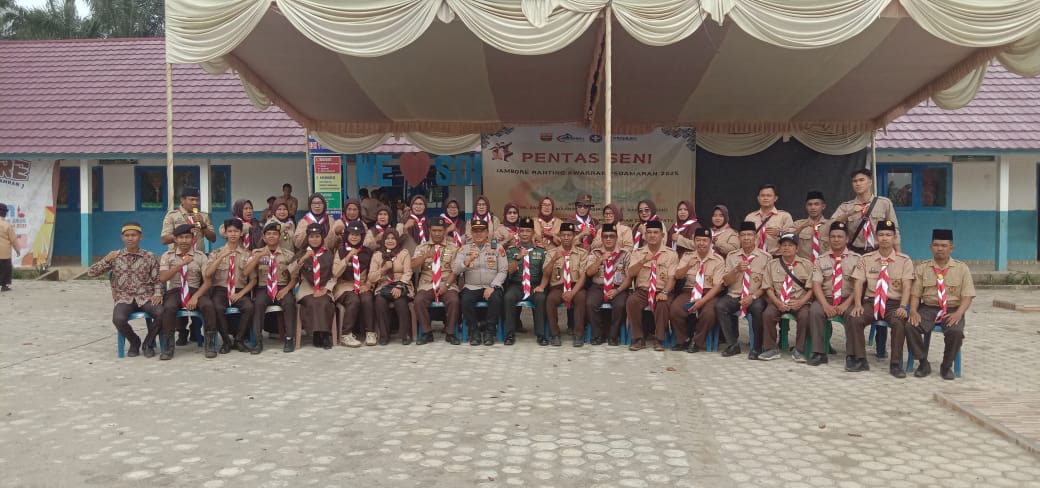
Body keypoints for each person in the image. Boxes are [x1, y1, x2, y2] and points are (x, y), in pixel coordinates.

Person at [846, 220, 914, 375]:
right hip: (872, 302)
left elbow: (907, 287)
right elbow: (858, 282)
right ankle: (860, 359)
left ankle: (895, 364)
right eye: (881, 235)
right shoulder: (866, 258)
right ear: (876, 237)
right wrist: (858, 304)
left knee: (899, 322)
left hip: (893, 304)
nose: (884, 238)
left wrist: (903, 307)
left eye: (888, 235)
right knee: (855, 318)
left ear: (894, 237)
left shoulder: (904, 260)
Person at [86, 222, 164, 357]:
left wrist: (158, 293)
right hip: (124, 298)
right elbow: (91, 273)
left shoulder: (150, 256)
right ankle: (134, 342)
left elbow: (157, 278)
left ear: (141, 237)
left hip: (146, 297)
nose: (130, 238)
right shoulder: (115, 256)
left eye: (134, 235)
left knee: (162, 313)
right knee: (118, 319)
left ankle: (148, 343)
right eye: (127, 235)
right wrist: (106, 260)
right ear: (122, 238)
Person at [908, 229, 975, 380]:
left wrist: (959, 313)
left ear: (951, 248)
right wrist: (913, 310)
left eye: (944, 246)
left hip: (952, 309)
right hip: (928, 308)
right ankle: (923, 362)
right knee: (910, 325)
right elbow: (915, 294)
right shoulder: (922, 268)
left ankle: (946, 366)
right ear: (930, 247)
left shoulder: (962, 268)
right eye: (936, 245)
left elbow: (968, 296)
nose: (939, 248)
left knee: (956, 331)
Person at [158, 224, 216, 359]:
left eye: (187, 237)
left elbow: (208, 282)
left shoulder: (201, 256)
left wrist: (195, 297)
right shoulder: (167, 256)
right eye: (180, 237)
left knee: (208, 305)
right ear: (175, 239)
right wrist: (180, 265)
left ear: (193, 239)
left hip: (195, 290)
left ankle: (210, 344)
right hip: (175, 290)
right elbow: (163, 278)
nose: (184, 240)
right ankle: (168, 347)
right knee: (169, 307)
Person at [714, 221, 772, 359]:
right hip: (735, 295)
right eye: (743, 235)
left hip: (755, 296)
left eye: (749, 235)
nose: (746, 238)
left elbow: (766, 285)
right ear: (739, 237)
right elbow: (726, 281)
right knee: (720, 306)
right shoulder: (732, 256)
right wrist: (736, 270)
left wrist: (752, 297)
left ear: (756, 237)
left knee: (758, 309)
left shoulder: (766, 257)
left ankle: (756, 347)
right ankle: (733, 344)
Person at [807, 221, 860, 366]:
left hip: (848, 299)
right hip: (827, 298)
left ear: (847, 239)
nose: (836, 239)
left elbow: (859, 286)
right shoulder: (820, 260)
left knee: (853, 315)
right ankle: (819, 353)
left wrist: (846, 304)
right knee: (814, 311)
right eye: (833, 236)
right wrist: (825, 305)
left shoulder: (857, 259)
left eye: (840, 236)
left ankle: (852, 355)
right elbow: (816, 284)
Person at [244, 222, 299, 354]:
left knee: (289, 303)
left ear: (279, 237)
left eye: (275, 234)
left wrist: (287, 289)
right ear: (264, 237)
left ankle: (289, 339)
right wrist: (259, 256)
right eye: (268, 234)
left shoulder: (288, 254)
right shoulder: (256, 253)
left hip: (282, 287)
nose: (272, 236)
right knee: (258, 304)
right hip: (263, 287)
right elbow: (246, 272)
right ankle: (258, 341)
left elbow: (295, 277)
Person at [759, 233, 815, 361]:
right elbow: (768, 288)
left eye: (790, 245)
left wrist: (801, 302)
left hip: (799, 301)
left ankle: (799, 350)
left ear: (797, 248)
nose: (786, 248)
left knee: (805, 316)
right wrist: (777, 302)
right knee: (768, 314)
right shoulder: (772, 265)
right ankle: (771, 349)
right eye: (783, 245)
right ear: (780, 248)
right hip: (779, 300)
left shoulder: (807, 265)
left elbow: (812, 289)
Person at [624, 220, 678, 351]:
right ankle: (638, 338)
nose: (652, 235)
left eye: (655, 232)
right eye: (649, 232)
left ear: (662, 235)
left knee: (663, 305)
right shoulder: (638, 253)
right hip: (643, 290)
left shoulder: (671, 254)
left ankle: (659, 339)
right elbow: (631, 273)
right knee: (632, 301)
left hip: (662, 290)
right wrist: (642, 261)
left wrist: (665, 292)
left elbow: (672, 277)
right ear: (645, 235)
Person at [668, 227, 725, 353]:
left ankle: (697, 341)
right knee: (675, 309)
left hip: (708, 293)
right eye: (698, 240)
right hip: (689, 291)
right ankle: (684, 339)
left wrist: (702, 301)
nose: (701, 243)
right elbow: (677, 275)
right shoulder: (687, 256)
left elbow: (717, 286)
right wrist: (688, 266)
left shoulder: (718, 260)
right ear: (694, 241)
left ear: (710, 242)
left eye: (705, 240)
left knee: (708, 314)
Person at [205, 219, 257, 354]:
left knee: (249, 307)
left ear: (241, 233)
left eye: (236, 231)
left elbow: (253, 280)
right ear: (225, 234)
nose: (233, 234)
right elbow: (208, 274)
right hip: (221, 290)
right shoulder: (216, 252)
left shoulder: (247, 254)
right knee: (217, 307)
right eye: (230, 231)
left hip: (239, 290)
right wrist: (220, 258)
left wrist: (240, 294)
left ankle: (239, 340)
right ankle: (226, 341)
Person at [453, 218, 507, 346]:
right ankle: (474, 331)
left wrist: (493, 286)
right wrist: (465, 263)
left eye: (481, 231)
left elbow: (503, 271)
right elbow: (455, 270)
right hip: (472, 286)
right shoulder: (464, 249)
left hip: (492, 286)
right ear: (471, 233)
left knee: (496, 299)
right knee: (465, 300)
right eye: (475, 231)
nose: (478, 234)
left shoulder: (497, 247)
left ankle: (489, 331)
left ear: (487, 232)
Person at [411, 219, 460, 345]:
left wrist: (446, 285)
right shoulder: (422, 247)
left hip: (447, 282)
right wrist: (426, 256)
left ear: (445, 231)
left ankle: (450, 333)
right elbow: (412, 265)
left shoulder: (453, 248)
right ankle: (427, 333)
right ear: (429, 231)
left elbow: (455, 271)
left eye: (440, 231)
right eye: (434, 230)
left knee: (454, 300)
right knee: (418, 300)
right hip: (427, 283)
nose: (437, 233)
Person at [290, 223, 337, 349]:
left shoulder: (328, 254)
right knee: (311, 302)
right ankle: (316, 333)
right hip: (307, 288)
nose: (314, 239)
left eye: (317, 236)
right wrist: (304, 258)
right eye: (311, 236)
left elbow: (334, 275)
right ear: (307, 238)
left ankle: (325, 334)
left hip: (324, 287)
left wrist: (326, 289)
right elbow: (291, 271)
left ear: (322, 238)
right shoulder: (301, 253)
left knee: (324, 302)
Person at [832, 169, 900, 254]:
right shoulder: (846, 207)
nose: (858, 184)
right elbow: (831, 225)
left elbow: (894, 229)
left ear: (870, 182)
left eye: (861, 180)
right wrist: (849, 213)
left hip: (879, 252)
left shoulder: (884, 203)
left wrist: (898, 252)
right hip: (855, 252)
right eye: (855, 181)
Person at [584, 223, 631, 346]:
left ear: (617, 238)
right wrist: (600, 260)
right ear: (601, 238)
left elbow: (629, 277)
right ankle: (598, 334)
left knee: (620, 305)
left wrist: (617, 291)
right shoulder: (595, 253)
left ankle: (613, 336)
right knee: (590, 303)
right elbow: (589, 272)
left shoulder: (625, 254)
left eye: (611, 236)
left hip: (618, 287)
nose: (608, 239)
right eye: (605, 236)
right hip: (598, 287)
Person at [503, 216, 547, 345]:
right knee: (508, 297)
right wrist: (518, 258)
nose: (525, 234)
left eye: (528, 231)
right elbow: (509, 271)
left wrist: (541, 286)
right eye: (522, 231)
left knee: (541, 298)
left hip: (534, 284)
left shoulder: (541, 251)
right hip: (517, 285)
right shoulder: (511, 250)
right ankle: (510, 334)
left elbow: (546, 272)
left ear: (533, 233)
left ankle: (541, 335)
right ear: (518, 233)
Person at [544, 222, 589, 347]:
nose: (566, 238)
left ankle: (578, 334)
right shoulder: (551, 252)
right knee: (550, 300)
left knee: (581, 298)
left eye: (569, 235)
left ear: (574, 236)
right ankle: (555, 334)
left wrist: (572, 293)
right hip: (558, 287)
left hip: (576, 286)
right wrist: (554, 259)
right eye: (563, 235)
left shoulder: (582, 253)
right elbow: (546, 273)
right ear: (559, 236)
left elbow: (583, 276)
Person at [332, 223, 375, 347]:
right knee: (353, 299)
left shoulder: (367, 252)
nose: (354, 237)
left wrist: (368, 284)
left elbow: (372, 271)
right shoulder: (340, 250)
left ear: (362, 236)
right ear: (347, 235)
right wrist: (348, 257)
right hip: (344, 286)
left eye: (357, 235)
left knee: (367, 298)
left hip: (362, 284)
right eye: (352, 234)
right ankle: (346, 334)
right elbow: (335, 272)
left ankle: (370, 332)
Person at [369, 229, 414, 345]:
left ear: (397, 240)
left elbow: (408, 272)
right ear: (383, 240)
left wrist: (399, 286)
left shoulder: (404, 253)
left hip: (401, 285)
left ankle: (405, 334)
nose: (390, 241)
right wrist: (383, 269)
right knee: (379, 302)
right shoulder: (377, 255)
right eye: (387, 238)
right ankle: (384, 335)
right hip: (383, 286)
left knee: (400, 301)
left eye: (393, 238)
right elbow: (371, 277)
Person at [160, 186, 215, 253]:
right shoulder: (172, 215)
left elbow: (213, 239)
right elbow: (164, 240)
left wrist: (203, 225)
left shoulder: (204, 216)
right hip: (178, 256)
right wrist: (184, 232)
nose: (195, 203)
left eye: (197, 200)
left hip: (198, 256)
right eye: (192, 200)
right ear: (182, 200)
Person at [744, 184, 794, 256]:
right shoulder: (750, 217)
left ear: (775, 198)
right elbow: (744, 237)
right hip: (754, 257)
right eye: (762, 195)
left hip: (776, 257)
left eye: (769, 195)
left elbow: (792, 237)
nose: (765, 198)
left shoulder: (784, 216)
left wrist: (780, 233)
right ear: (758, 198)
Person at [792, 191, 830, 263]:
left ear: (823, 206)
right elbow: (787, 239)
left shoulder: (830, 225)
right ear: (806, 207)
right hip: (804, 265)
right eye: (810, 204)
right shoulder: (798, 224)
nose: (813, 207)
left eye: (816, 204)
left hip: (825, 265)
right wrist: (802, 227)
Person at [0, 203, 18, 292]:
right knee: (5, 269)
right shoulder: (7, 225)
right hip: (4, 253)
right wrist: (18, 250)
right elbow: (13, 239)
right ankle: (4, 286)